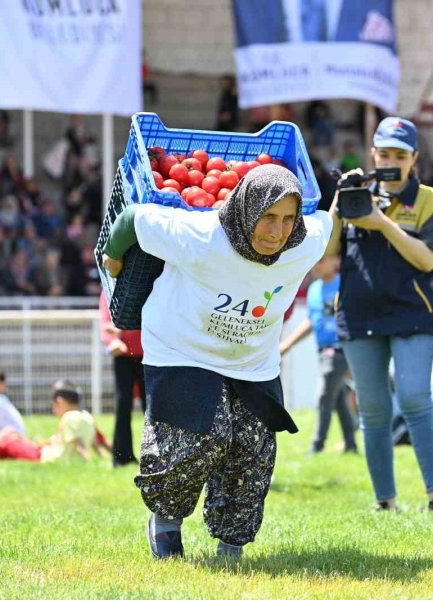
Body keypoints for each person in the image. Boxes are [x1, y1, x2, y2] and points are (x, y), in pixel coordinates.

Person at [102, 165, 334, 559]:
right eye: (268, 217)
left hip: (252, 362)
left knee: (254, 450)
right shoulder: (202, 235)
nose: (277, 231)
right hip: (182, 349)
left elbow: (330, 221)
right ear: (246, 208)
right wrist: (112, 257)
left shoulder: (304, 242)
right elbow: (131, 219)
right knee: (198, 437)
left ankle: (232, 542)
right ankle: (166, 521)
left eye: (287, 219)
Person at [324, 117, 433, 512]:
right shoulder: (355, 194)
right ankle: (385, 502)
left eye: (400, 155)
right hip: (359, 313)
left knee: (415, 398)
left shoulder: (429, 200)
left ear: (414, 158)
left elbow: (428, 260)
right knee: (374, 409)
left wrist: (382, 223)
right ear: (373, 154)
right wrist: (339, 200)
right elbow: (326, 254)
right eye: (385, 154)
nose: (392, 162)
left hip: (412, 312)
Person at [279, 254, 358, 454]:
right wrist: (287, 344)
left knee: (324, 395)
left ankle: (317, 445)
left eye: (322, 260)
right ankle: (351, 444)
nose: (316, 265)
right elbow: (312, 321)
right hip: (323, 349)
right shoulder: (314, 289)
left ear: (336, 261)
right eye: (314, 261)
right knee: (338, 397)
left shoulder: (345, 284)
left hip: (340, 349)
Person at [0, 380, 104, 463]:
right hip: (43, 451)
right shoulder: (87, 417)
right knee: (13, 436)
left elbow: (79, 443)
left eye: (53, 406)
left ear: (59, 401)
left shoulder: (69, 418)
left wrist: (87, 460)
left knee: (8, 442)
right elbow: (95, 442)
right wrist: (102, 457)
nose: (54, 410)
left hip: (45, 457)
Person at [99, 291, 146, 467]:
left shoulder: (147, 281)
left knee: (151, 407)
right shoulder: (110, 287)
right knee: (123, 404)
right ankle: (121, 457)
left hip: (148, 353)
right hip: (122, 354)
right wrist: (112, 341)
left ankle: (155, 455)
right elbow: (105, 319)